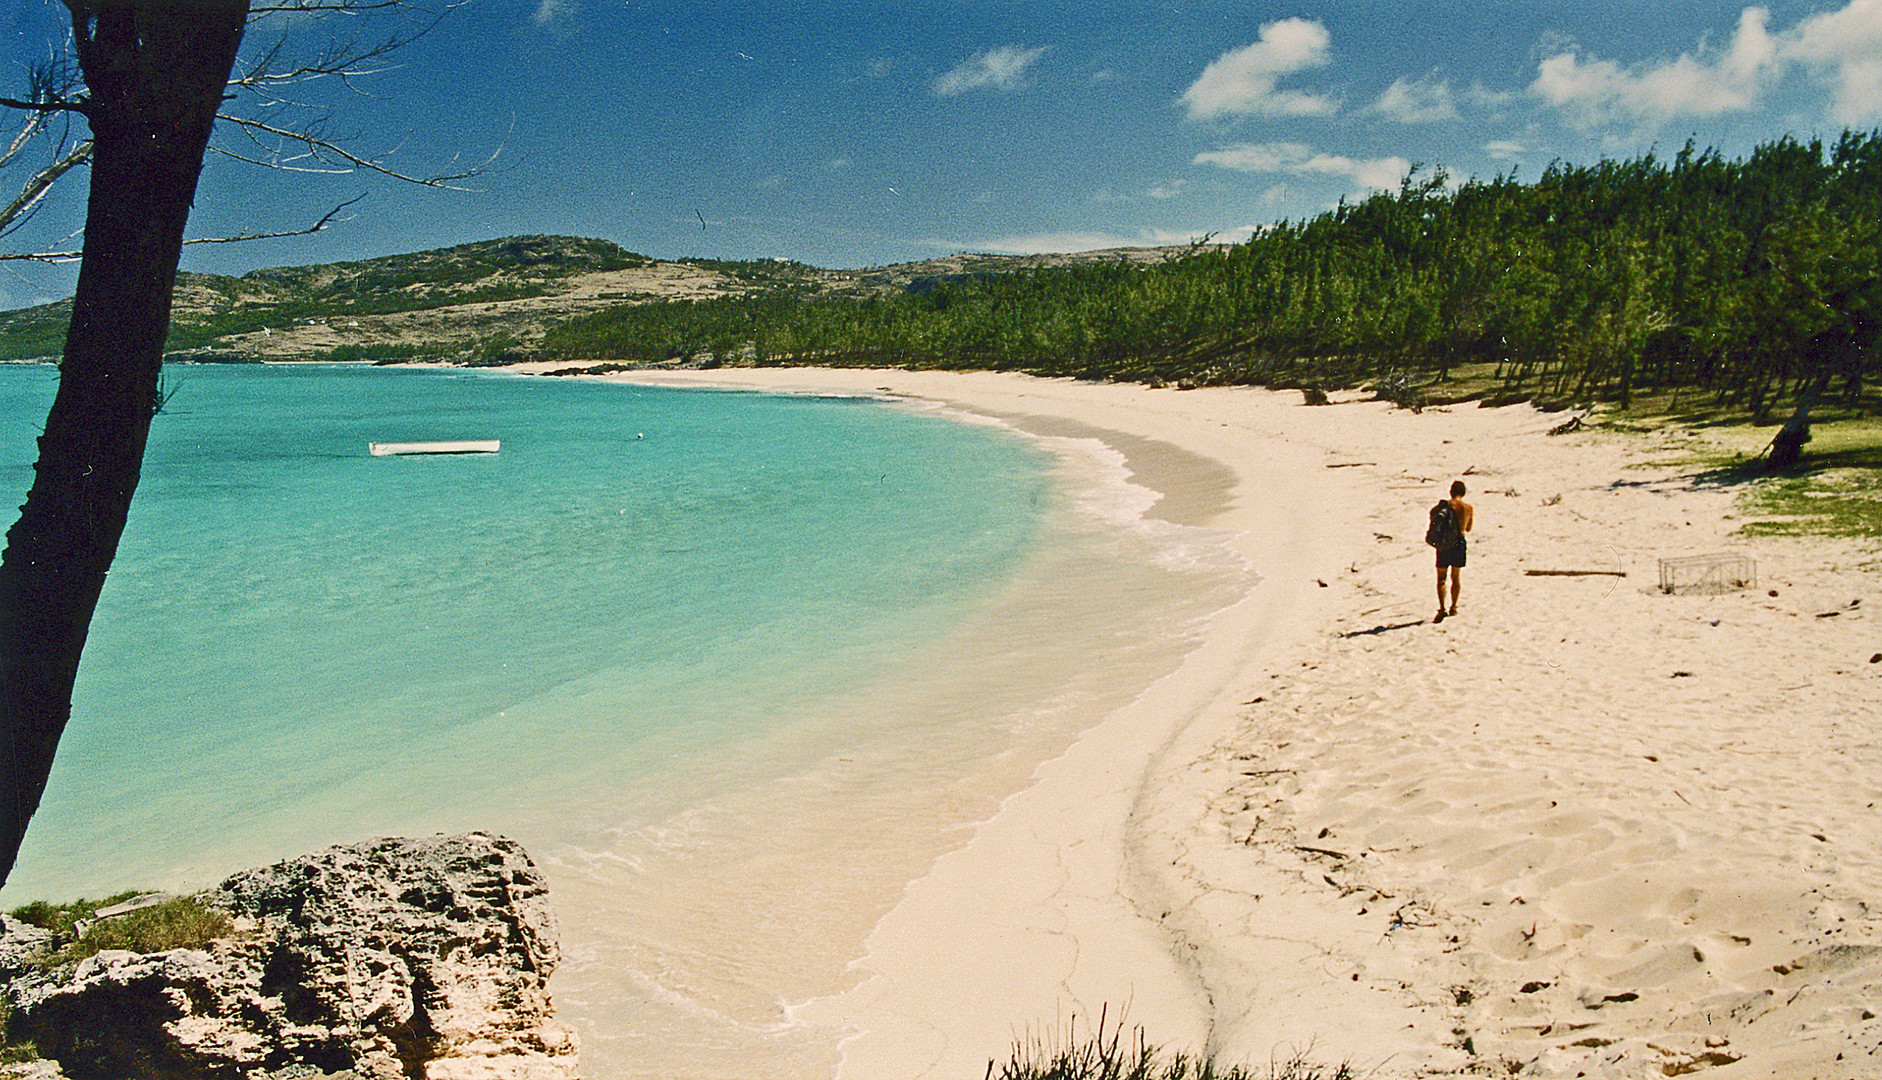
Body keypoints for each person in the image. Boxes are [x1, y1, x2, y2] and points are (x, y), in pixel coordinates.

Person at [1434, 479, 1473, 622]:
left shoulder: (1443, 506)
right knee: (1455, 577)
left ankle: (1442, 607)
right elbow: (1468, 528)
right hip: (1459, 543)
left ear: (1451, 492)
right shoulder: (1467, 508)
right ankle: (1453, 607)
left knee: (1441, 578)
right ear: (1463, 493)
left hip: (1444, 544)